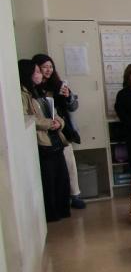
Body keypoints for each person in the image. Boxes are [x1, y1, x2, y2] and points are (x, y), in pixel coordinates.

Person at [19, 59, 71, 222]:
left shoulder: (40, 91)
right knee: (49, 181)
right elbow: (27, 119)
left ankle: (63, 210)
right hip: (43, 142)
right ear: (27, 74)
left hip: (56, 139)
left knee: (62, 179)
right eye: (37, 71)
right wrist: (49, 123)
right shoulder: (23, 94)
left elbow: (55, 112)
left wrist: (59, 123)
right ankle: (53, 214)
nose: (41, 74)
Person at [32, 53, 85, 209]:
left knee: (69, 162)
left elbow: (73, 107)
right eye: (44, 67)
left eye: (51, 67)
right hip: (44, 131)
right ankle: (59, 199)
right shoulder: (33, 88)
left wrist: (68, 97)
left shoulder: (59, 84)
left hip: (62, 129)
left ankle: (75, 195)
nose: (48, 70)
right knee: (53, 168)